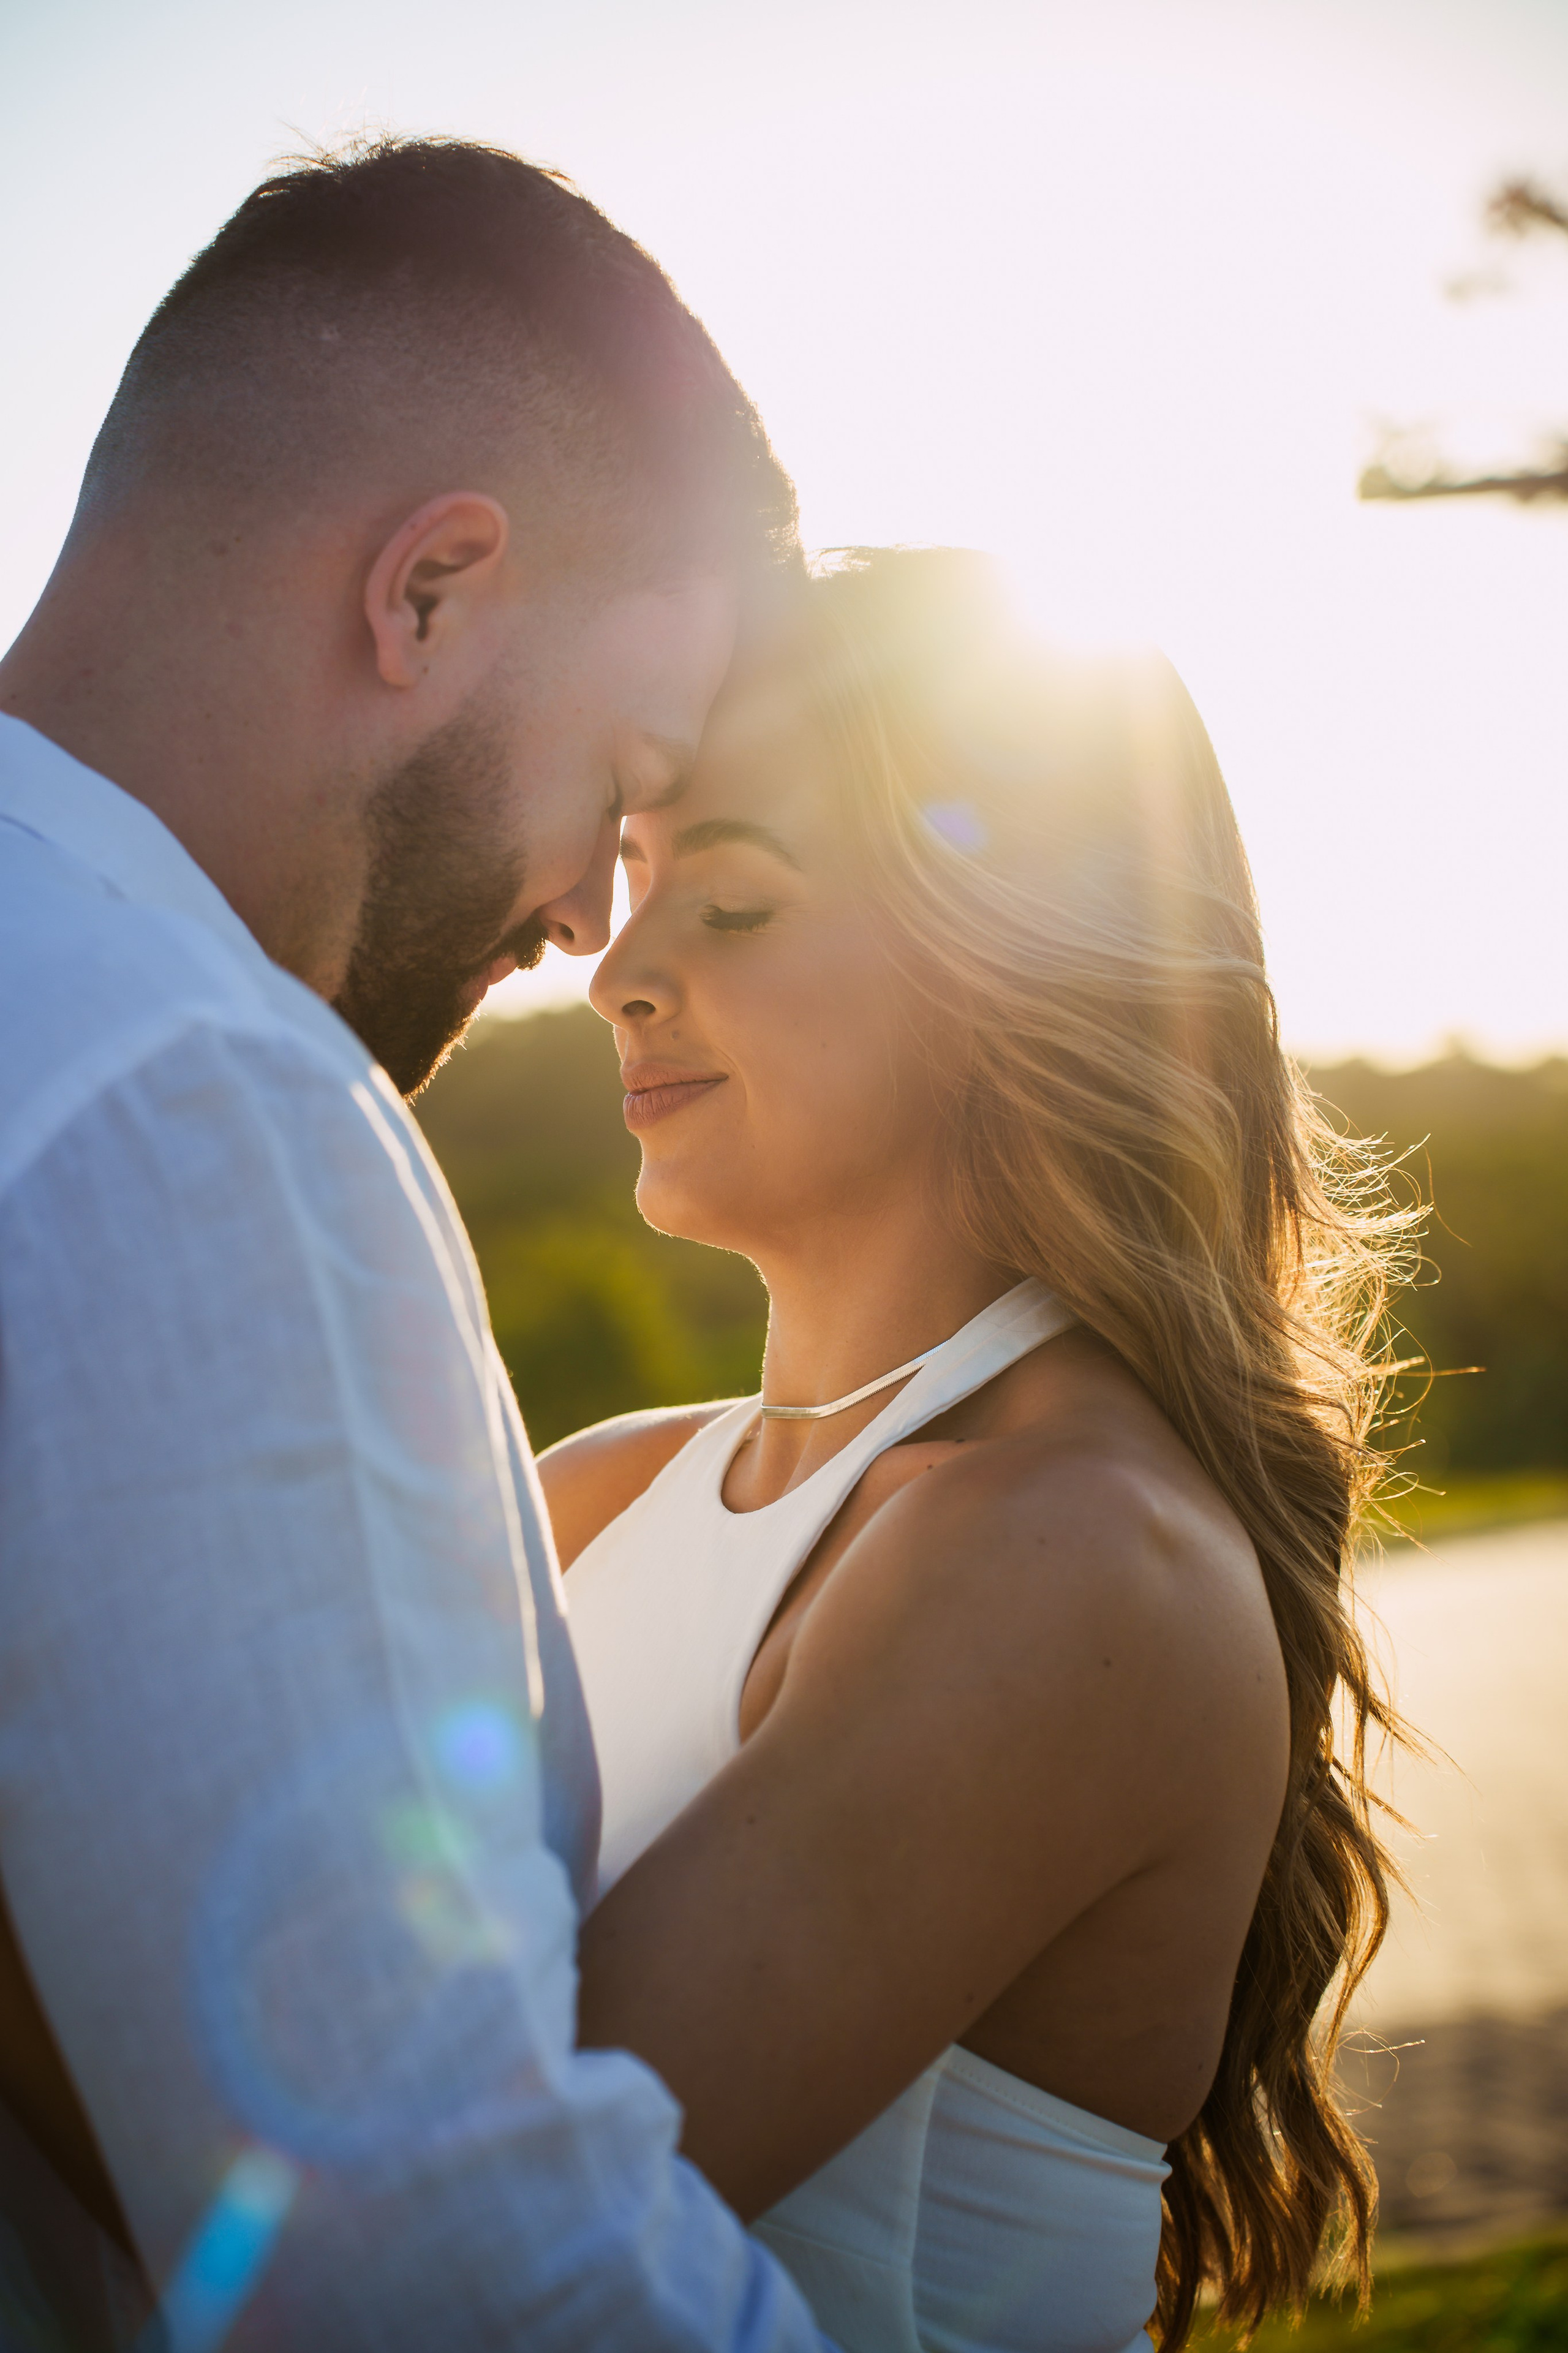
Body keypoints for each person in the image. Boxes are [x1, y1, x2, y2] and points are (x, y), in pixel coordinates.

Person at [0, 136, 832, 2349]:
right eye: (624, 775)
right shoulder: (194, 1103)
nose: (586, 920)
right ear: (431, 593)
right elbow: (426, 2255)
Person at [540, 550, 1413, 2353]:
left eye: (738, 903)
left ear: (996, 965)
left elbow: (478, 2241)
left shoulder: (1072, 1557)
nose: (617, 970)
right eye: (634, 879)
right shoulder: (598, 1486)